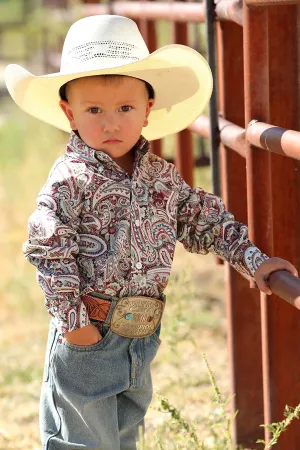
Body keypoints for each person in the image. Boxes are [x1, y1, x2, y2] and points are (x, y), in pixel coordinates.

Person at [4, 14, 298, 450]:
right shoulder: (70, 180)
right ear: (69, 114)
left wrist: (253, 259)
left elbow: (204, 220)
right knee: (83, 442)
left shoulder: (161, 177)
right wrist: (75, 327)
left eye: (125, 108)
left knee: (125, 438)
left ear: (148, 110)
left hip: (140, 338)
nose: (111, 123)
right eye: (94, 110)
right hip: (88, 332)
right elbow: (49, 251)